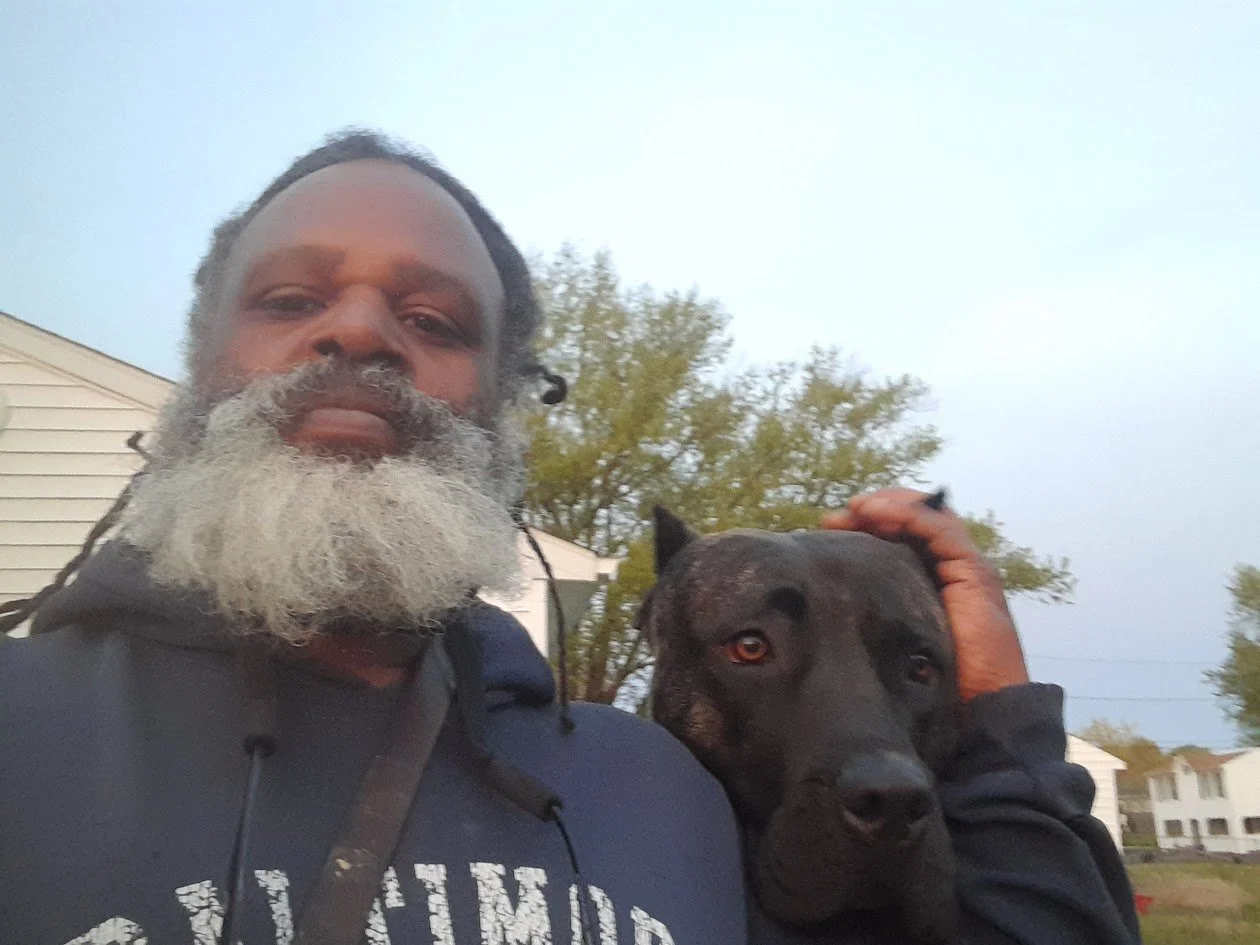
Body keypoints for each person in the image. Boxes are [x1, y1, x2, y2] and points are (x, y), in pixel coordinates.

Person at [0, 131, 1139, 945]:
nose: (358, 330)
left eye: (433, 319)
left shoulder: (659, 792)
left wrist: (1000, 709)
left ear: (501, 405)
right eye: (291, 300)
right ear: (199, 364)